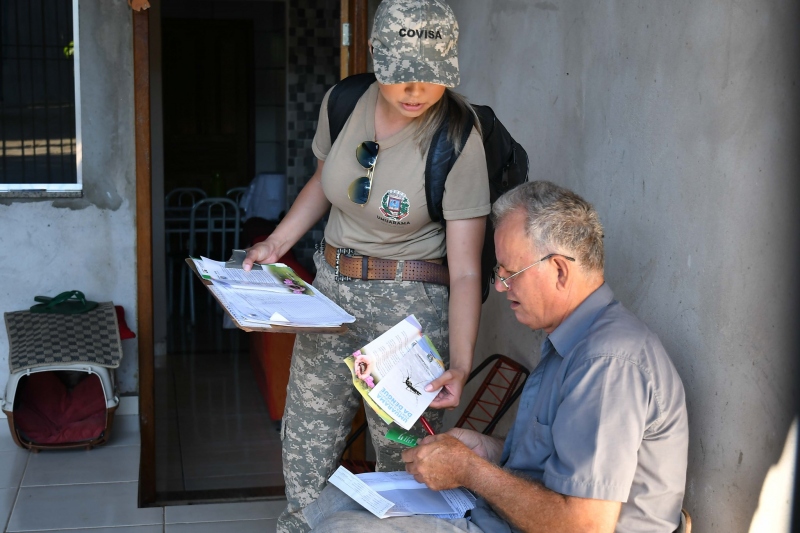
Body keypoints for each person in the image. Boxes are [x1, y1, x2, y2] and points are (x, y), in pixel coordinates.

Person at [304, 181, 690, 533]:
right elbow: (557, 459)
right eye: (499, 273)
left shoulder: (608, 363)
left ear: (558, 270)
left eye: (510, 272)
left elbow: (583, 525)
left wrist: (472, 471)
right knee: (335, 502)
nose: (502, 287)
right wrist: (489, 451)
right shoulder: (574, 340)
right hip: (506, 518)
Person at [242, 1, 489, 531]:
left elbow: (467, 270)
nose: (416, 91)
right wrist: (277, 242)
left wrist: (462, 366)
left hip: (408, 312)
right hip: (329, 294)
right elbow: (323, 184)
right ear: (377, 55)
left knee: (403, 471)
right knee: (305, 452)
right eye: (403, 74)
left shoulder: (457, 137)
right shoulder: (343, 102)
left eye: (431, 76)